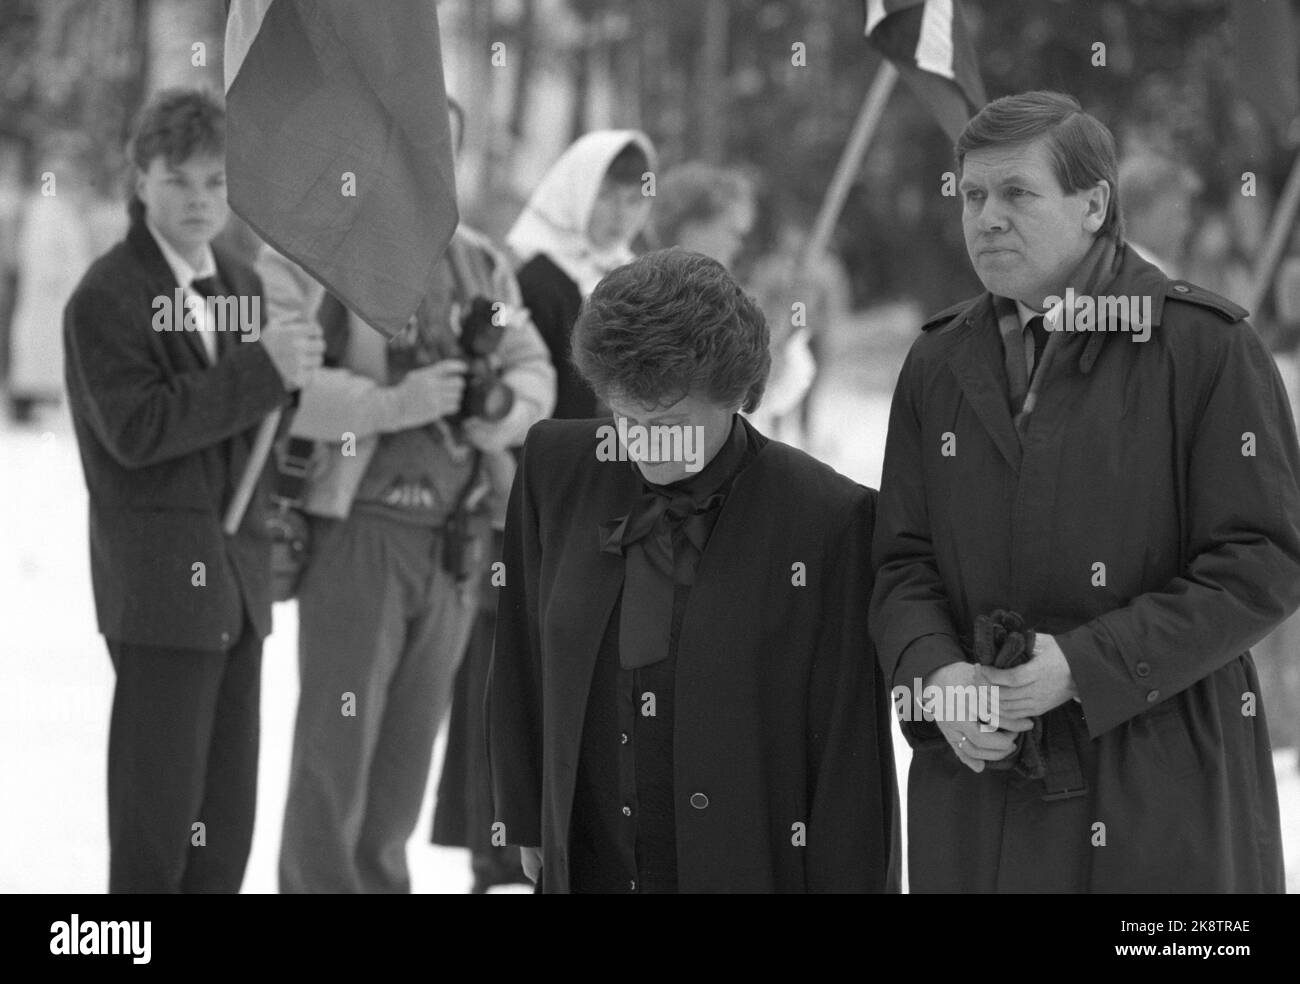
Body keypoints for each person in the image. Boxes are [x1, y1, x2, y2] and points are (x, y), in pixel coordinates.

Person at [870, 90, 1300, 892]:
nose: (986, 217)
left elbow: (1262, 561)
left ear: (1095, 203)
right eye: (971, 195)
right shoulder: (936, 363)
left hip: (1161, 787)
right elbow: (902, 560)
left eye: (1016, 194)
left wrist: (1084, 665)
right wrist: (939, 678)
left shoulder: (1206, 348)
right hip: (979, 792)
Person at [487, 248, 900, 893]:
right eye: (625, 419)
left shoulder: (828, 519)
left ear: (740, 394)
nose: (644, 445)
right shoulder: (555, 467)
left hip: (745, 863)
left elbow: (847, 750)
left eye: (671, 424)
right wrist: (526, 819)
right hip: (590, 855)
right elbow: (519, 654)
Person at [263, 98, 555, 895]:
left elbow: (536, 371)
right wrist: (401, 401)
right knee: (336, 755)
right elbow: (284, 388)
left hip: (456, 542)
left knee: (405, 755)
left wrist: (497, 414)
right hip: (362, 529)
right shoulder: (322, 251)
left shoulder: (480, 263)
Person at [63, 88, 322, 893]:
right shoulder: (108, 295)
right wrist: (262, 371)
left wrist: (292, 382)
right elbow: (138, 429)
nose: (201, 200)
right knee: (157, 822)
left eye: (216, 181)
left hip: (238, 583)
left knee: (224, 825)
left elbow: (252, 421)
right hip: (163, 584)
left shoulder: (239, 281)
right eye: (180, 180)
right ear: (140, 179)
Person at [654, 163, 816, 442]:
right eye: (733, 232)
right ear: (692, 225)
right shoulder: (648, 297)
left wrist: (791, 322)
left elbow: (765, 395)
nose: (738, 245)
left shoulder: (723, 300)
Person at [507, 129, 656, 419]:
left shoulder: (642, 277)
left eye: (633, 200)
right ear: (577, 192)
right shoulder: (539, 282)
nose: (621, 214)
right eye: (606, 196)